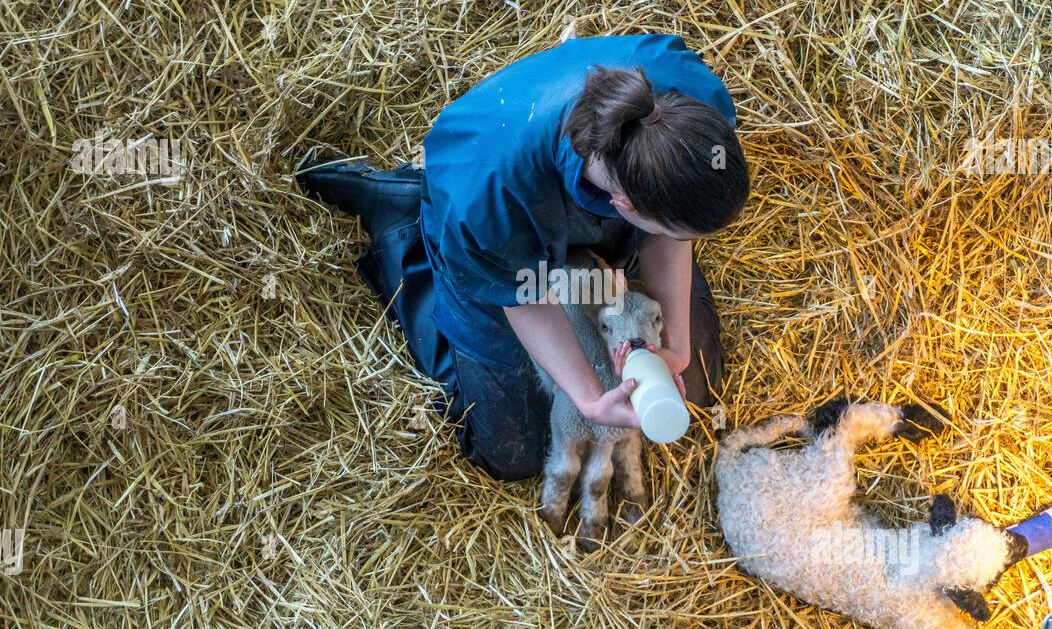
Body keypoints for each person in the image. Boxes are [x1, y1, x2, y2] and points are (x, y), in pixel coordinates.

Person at [297, 33, 749, 482]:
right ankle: (400, 218)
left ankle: (600, 249)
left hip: (601, 197)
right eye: (680, 229)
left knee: (698, 388)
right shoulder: (486, 197)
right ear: (628, 205)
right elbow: (522, 295)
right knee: (515, 454)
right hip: (492, 204)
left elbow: (668, 237)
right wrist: (590, 400)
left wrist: (678, 343)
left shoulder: (701, 113)